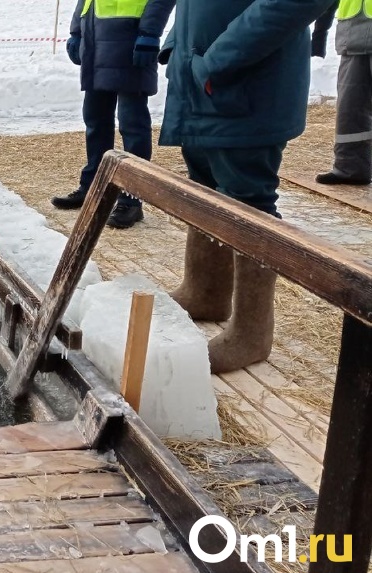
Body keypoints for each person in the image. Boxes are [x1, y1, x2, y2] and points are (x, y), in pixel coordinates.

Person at [159, 0, 334, 372]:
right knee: (204, 187)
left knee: (249, 202)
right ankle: (204, 292)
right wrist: (177, 47)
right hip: (202, 79)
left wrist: (217, 60)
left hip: (246, 81)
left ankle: (251, 333)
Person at [50, 0, 175, 229]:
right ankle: (94, 188)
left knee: (132, 126)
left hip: (133, 40)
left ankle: (132, 199)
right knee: (95, 121)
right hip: (95, 43)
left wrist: (150, 32)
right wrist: (76, 30)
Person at [313, 0, 372, 186]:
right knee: (350, 109)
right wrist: (319, 34)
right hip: (353, 39)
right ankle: (350, 168)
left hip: (353, 38)